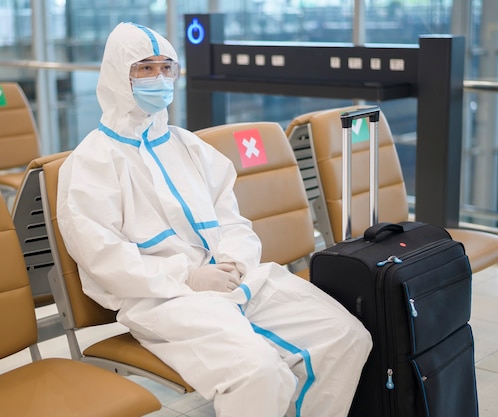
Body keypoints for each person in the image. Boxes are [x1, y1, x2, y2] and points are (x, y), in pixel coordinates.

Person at [57, 22, 372, 417]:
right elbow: (103, 258)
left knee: (346, 336)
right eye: (145, 68)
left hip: (235, 280)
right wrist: (186, 277)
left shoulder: (190, 147)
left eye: (166, 68)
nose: (159, 78)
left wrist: (234, 263)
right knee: (258, 373)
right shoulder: (90, 163)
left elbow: (233, 221)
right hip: (163, 299)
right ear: (119, 76)